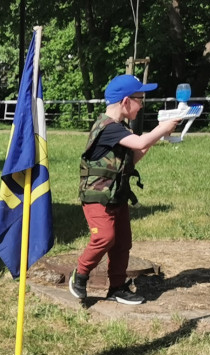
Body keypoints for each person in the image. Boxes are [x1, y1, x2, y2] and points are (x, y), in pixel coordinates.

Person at [70, 74, 179, 305]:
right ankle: (80, 274)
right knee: (104, 237)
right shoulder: (108, 128)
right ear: (126, 101)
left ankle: (117, 288)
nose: (142, 105)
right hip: (98, 197)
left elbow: (135, 155)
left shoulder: (120, 128)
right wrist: (162, 128)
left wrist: (158, 136)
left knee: (121, 243)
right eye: (140, 100)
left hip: (116, 195)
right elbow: (140, 142)